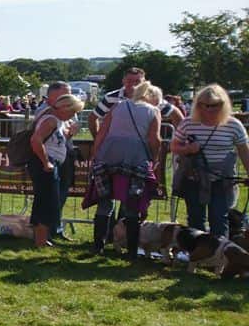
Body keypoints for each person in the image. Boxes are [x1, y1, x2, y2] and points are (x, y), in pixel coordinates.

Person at [87, 81, 164, 257]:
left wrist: (96, 154)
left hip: (108, 155)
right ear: (152, 98)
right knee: (132, 203)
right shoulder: (153, 111)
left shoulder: (118, 106)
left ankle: (98, 245)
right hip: (135, 158)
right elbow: (155, 139)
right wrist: (154, 159)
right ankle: (131, 250)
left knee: (104, 201)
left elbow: (102, 132)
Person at [171, 84, 249, 238]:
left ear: (223, 104)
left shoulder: (234, 125)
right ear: (199, 105)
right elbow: (174, 146)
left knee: (219, 219)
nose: (210, 109)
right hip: (194, 179)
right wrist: (188, 149)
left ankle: (219, 250)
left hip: (222, 181)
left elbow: (244, 152)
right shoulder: (188, 123)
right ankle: (196, 250)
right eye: (206, 105)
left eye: (215, 105)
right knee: (195, 219)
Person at [28, 94, 85, 247]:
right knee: (46, 202)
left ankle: (42, 238)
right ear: (64, 108)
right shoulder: (51, 120)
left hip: (52, 163)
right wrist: (46, 162)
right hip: (45, 164)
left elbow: (58, 141)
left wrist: (70, 133)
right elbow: (36, 140)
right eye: (72, 112)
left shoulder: (59, 121)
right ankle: (40, 240)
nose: (73, 116)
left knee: (49, 201)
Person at [91, 67, 183, 139]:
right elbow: (92, 118)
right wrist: (98, 139)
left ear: (144, 83)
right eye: (129, 81)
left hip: (144, 144)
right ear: (123, 80)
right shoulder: (110, 98)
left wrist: (179, 139)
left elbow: (175, 114)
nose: (133, 85)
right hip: (116, 143)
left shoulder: (152, 98)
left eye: (137, 81)